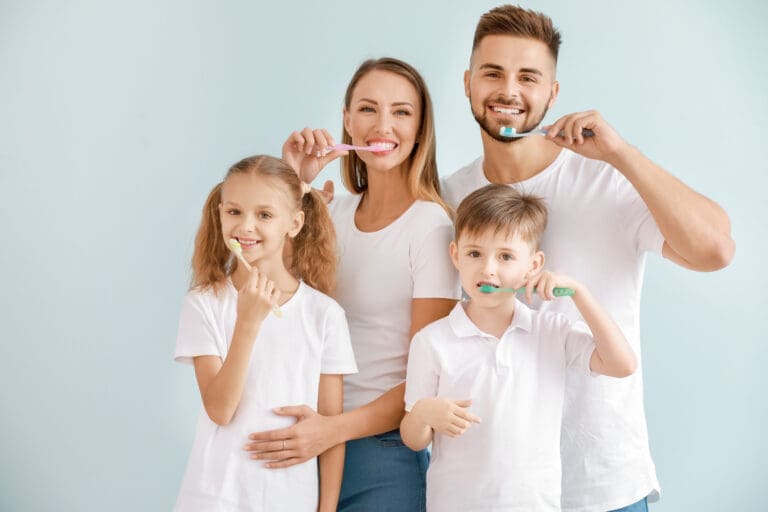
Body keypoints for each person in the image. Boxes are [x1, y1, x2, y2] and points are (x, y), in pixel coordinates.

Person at [441, 5, 735, 512]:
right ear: (468, 83)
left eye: (528, 77)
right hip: (491, 490)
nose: (508, 90)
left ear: (552, 94)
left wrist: (621, 153)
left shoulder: (606, 180)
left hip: (603, 485)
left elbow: (715, 251)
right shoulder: (449, 197)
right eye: (492, 73)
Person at [243, 58, 462, 511]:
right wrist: (293, 185)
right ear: (346, 119)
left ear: (421, 129)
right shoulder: (329, 213)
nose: (383, 124)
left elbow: (429, 376)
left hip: (380, 452)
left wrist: (333, 429)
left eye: (402, 112)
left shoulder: (430, 227)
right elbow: (262, 298)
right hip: (307, 442)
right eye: (368, 109)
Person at [401, 184, 637, 511]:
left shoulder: (550, 332)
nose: (488, 269)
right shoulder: (432, 341)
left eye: (506, 256)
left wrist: (580, 293)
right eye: (474, 253)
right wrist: (424, 413)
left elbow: (622, 364)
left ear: (533, 265)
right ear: (455, 255)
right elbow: (414, 438)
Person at [173, 155, 358, 511]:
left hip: (289, 499)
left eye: (264, 215)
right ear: (220, 214)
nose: (246, 226)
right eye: (234, 212)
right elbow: (220, 410)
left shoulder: (325, 315)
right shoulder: (204, 304)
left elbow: (331, 430)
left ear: (294, 223)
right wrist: (248, 323)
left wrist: (327, 508)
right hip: (214, 498)